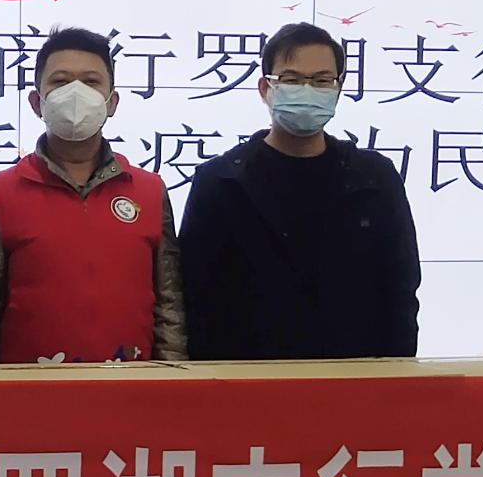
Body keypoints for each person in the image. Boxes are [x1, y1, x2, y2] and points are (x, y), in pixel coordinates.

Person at [180, 21, 420, 360]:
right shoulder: (220, 182)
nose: (307, 91)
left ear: (338, 88)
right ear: (265, 88)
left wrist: (397, 375)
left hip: (358, 379)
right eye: (291, 80)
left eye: (321, 81)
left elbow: (400, 292)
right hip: (251, 381)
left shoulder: (375, 179)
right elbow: (197, 300)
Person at [0, 28, 183, 363]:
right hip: (28, 389)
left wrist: (173, 380)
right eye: (60, 82)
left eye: (91, 82)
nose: (76, 93)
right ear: (36, 102)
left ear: (112, 103)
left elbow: (170, 310)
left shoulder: (150, 191)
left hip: (132, 387)